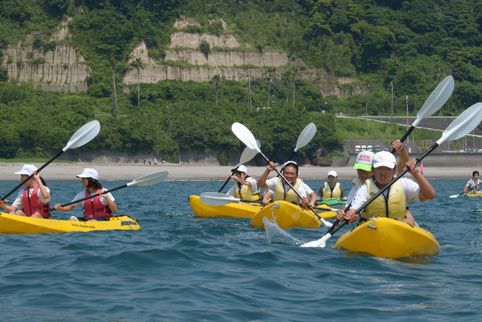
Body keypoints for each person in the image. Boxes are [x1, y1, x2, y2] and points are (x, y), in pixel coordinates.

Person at [337, 151, 435, 227]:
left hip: (400, 227)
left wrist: (416, 173)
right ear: (373, 170)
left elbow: (430, 195)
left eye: (387, 169)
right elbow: (354, 209)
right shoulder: (364, 188)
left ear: (394, 170)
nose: (383, 172)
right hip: (373, 228)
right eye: (379, 168)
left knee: (409, 219)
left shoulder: (403, 184)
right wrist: (349, 215)